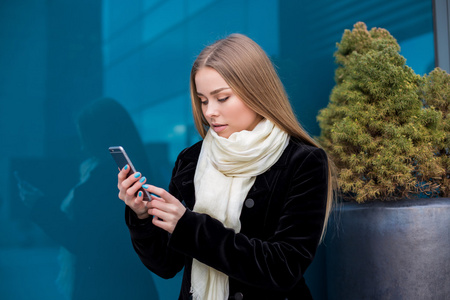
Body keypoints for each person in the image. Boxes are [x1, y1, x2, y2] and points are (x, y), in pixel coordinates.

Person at [118, 34, 335, 300]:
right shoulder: (191, 160)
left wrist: (188, 226)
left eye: (222, 98)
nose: (209, 111)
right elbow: (166, 265)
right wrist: (142, 217)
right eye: (203, 100)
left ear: (256, 91)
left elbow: (283, 267)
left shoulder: (303, 161)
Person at [18, 98, 160, 300]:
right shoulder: (130, 171)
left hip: (105, 286)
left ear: (99, 136)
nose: (82, 145)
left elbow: (83, 241)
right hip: (130, 282)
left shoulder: (105, 178)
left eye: (84, 136)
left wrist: (39, 206)